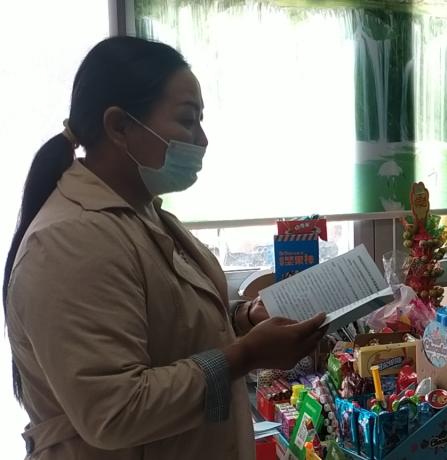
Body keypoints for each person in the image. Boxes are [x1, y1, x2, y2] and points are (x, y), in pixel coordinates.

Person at [3, 37, 326, 459]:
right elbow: (116, 411)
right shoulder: (69, 241)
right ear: (119, 126)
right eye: (188, 120)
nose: (202, 140)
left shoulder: (144, 214)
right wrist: (245, 356)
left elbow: (165, 324)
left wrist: (243, 319)